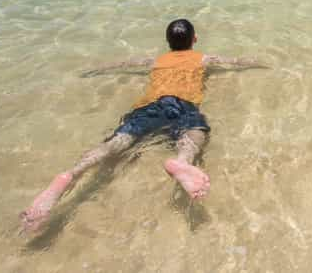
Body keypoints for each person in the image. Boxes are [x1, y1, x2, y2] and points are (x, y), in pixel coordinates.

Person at [20, 19, 264, 233]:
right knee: (194, 133)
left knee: (116, 143)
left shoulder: (156, 60)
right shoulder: (203, 59)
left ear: (167, 41)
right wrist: (262, 62)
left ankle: (73, 172)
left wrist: (94, 70)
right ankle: (182, 161)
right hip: (184, 105)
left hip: (150, 106)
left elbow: (123, 64)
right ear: (195, 39)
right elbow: (237, 62)